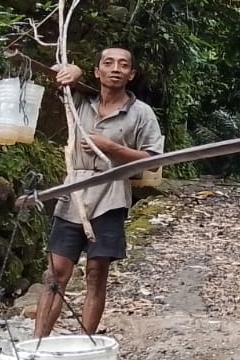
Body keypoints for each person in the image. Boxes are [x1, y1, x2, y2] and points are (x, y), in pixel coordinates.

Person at [33, 47, 165, 338]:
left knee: (96, 273)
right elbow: (56, 76)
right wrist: (73, 70)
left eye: (123, 65)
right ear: (97, 71)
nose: (115, 69)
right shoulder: (79, 99)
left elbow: (154, 160)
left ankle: (85, 342)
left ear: (131, 74)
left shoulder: (141, 113)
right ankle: (37, 344)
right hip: (73, 192)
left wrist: (111, 147)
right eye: (108, 63)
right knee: (56, 274)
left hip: (111, 195)